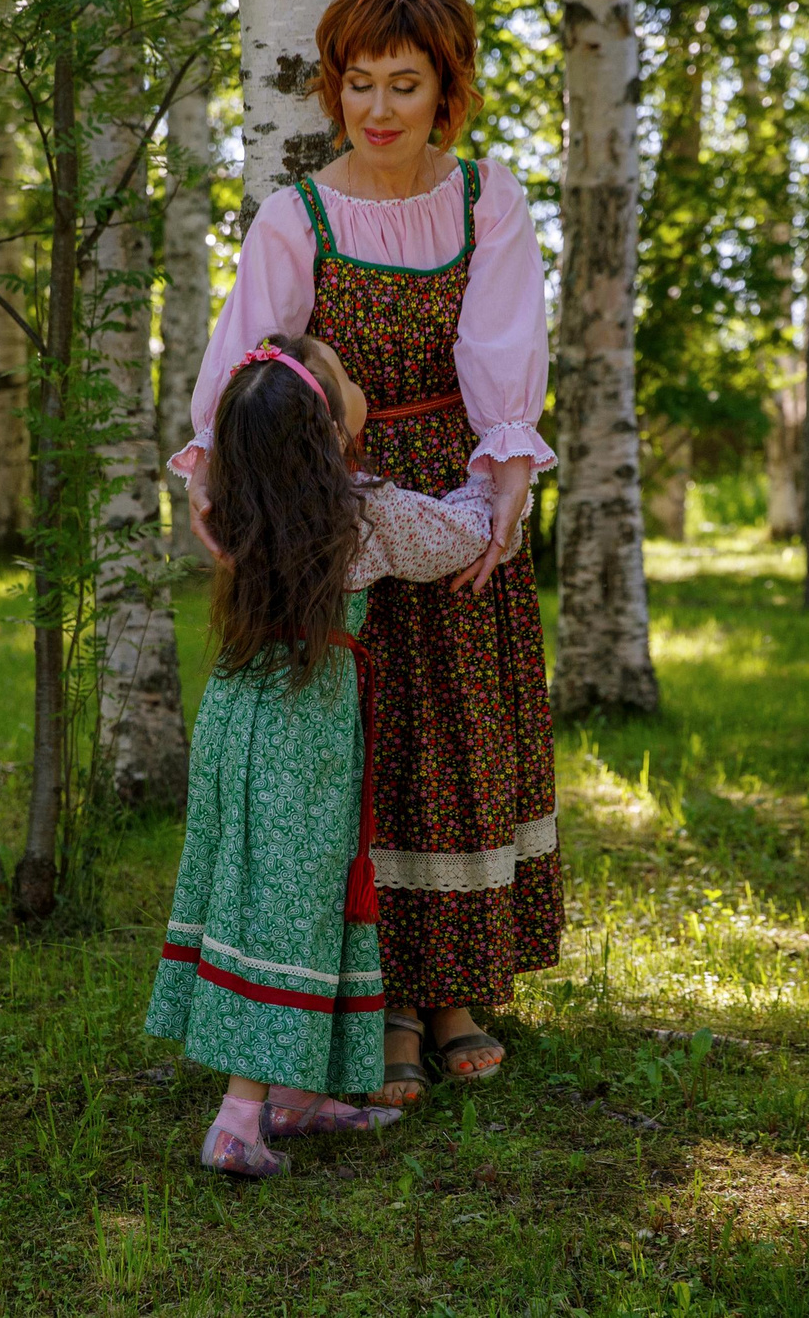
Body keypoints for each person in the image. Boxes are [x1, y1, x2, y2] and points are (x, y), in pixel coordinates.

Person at [171, 0, 559, 1108]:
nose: (378, 108)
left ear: (448, 90)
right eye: (358, 84)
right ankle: (381, 995)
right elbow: (251, 361)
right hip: (338, 512)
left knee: (463, 739)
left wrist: (500, 491)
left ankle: (456, 992)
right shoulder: (300, 216)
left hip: (455, 502)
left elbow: (501, 353)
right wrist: (215, 472)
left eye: (405, 83)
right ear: (332, 89)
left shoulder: (490, 197)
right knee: (364, 752)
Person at [146, 333, 507, 1177]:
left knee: (249, 897)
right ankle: (241, 1117)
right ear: (327, 432)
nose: (359, 377)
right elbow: (464, 533)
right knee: (294, 906)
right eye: (346, 376)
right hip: (304, 735)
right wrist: (497, 471)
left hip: (236, 717)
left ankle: (299, 1093)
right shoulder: (363, 512)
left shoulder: (231, 501)